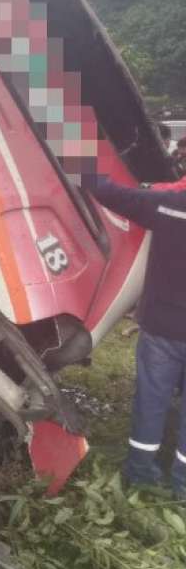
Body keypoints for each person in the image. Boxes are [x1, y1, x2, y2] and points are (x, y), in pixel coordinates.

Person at [85, 175, 186, 494]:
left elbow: (108, 193)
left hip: (162, 327)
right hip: (165, 327)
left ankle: (140, 473)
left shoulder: (168, 206)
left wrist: (64, 138)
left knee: (151, 401)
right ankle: (182, 484)